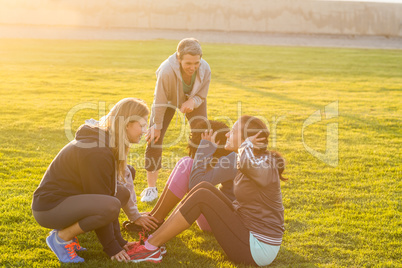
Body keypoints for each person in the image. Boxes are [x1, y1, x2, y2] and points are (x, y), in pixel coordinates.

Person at [127, 115, 288, 266]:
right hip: (246, 231)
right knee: (203, 188)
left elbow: (248, 165)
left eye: (233, 132)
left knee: (203, 194)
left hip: (258, 249)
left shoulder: (266, 165)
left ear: (245, 140)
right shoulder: (251, 159)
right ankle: (153, 241)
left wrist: (245, 146)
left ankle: (150, 247)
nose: (227, 135)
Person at [31, 98, 152, 263]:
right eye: (142, 125)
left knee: (120, 194)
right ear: (126, 125)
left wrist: (120, 242)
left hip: (67, 202)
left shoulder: (106, 143)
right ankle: (61, 237)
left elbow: (110, 195)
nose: (145, 131)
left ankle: (67, 234)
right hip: (48, 208)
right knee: (110, 205)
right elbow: (105, 203)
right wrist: (112, 247)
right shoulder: (97, 151)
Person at [124, 120, 237, 232]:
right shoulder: (230, 157)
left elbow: (195, 184)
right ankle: (154, 216)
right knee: (186, 162)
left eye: (233, 132)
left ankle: (155, 220)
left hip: (222, 223)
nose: (228, 135)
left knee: (187, 165)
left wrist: (204, 149)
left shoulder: (233, 160)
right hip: (220, 217)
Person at [142, 38, 211, 202]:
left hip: (193, 99)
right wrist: (156, 125)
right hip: (166, 100)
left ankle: (196, 181)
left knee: (202, 136)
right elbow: (159, 100)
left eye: (196, 63)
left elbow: (202, 94)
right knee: (154, 137)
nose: (192, 67)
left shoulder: (205, 68)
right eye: (188, 63)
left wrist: (192, 102)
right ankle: (151, 188)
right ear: (178, 59)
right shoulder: (166, 71)